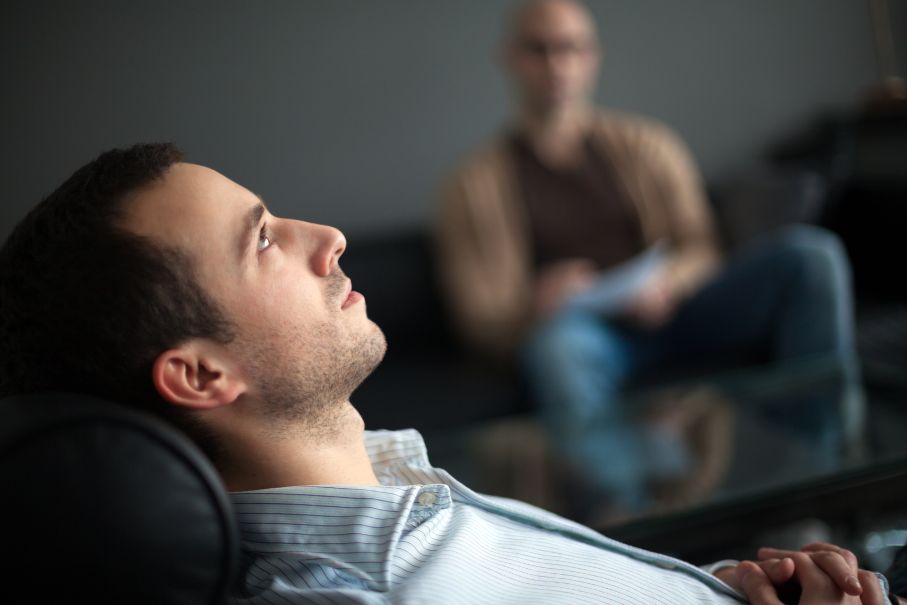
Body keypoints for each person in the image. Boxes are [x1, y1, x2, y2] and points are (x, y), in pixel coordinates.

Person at [0, 143, 893, 604]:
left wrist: (715, 583)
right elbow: (491, 307)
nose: (330, 237)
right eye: (263, 237)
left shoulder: (393, 485)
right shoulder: (355, 588)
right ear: (198, 375)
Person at [436, 0, 863, 515]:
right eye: (538, 50)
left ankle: (822, 479)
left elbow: (700, 245)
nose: (556, 65)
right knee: (558, 348)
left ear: (592, 57)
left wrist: (670, 284)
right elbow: (479, 318)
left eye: (570, 48)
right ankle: (630, 522)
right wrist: (538, 301)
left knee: (811, 256)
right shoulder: (470, 186)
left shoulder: (648, 144)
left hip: (676, 311)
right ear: (510, 59)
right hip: (583, 334)